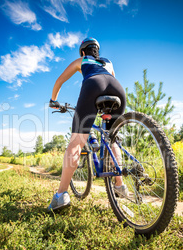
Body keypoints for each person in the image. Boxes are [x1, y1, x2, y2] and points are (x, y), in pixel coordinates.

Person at [48, 37, 128, 211]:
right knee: (112, 138)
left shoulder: (81, 60)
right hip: (117, 89)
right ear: (97, 51)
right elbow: (109, 80)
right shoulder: (108, 62)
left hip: (93, 84)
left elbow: (59, 81)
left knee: (76, 142)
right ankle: (120, 185)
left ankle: (61, 195)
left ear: (83, 52)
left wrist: (53, 100)